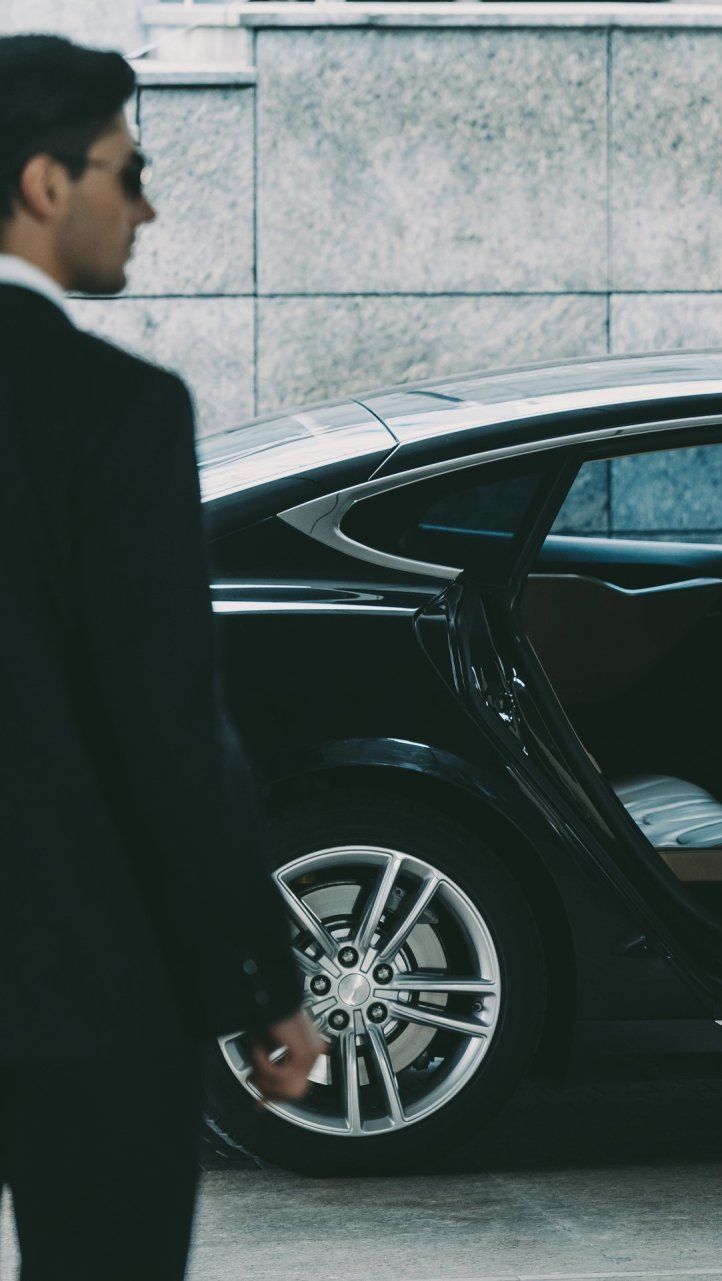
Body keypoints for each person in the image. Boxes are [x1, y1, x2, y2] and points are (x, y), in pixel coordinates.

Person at [0, 35, 322, 1278]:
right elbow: (170, 732)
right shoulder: (117, 411)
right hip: (90, 977)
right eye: (127, 172)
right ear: (44, 185)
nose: (145, 206)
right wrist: (259, 984)